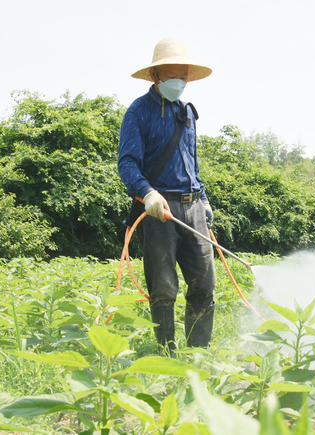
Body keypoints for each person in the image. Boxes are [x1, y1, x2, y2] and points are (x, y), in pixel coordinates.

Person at [118, 37, 216, 355]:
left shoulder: (187, 113)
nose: (180, 80)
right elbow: (127, 163)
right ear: (157, 75)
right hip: (160, 209)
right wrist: (147, 192)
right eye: (173, 73)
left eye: (184, 75)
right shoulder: (139, 112)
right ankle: (167, 354)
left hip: (193, 205)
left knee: (204, 283)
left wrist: (203, 198)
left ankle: (197, 354)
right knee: (163, 287)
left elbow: (192, 162)